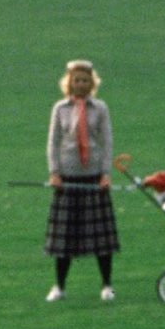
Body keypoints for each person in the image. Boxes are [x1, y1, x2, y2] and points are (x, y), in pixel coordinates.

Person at [44, 58, 117, 301]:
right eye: (76, 79)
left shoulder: (101, 108)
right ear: (69, 83)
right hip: (67, 179)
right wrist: (54, 172)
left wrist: (106, 173)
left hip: (94, 179)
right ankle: (59, 287)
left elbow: (107, 142)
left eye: (85, 80)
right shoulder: (60, 109)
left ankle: (107, 286)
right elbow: (53, 142)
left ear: (92, 83)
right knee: (64, 238)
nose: (81, 84)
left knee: (101, 238)